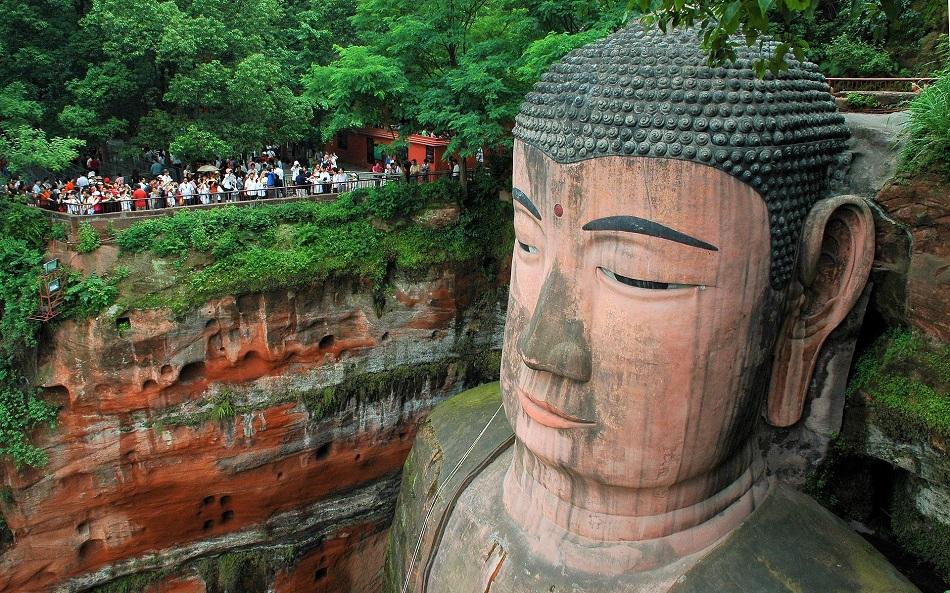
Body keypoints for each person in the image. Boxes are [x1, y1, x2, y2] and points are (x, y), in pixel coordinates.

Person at [386, 23, 920, 593]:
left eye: (637, 275)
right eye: (527, 240)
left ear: (814, 298)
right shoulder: (448, 451)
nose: (539, 348)